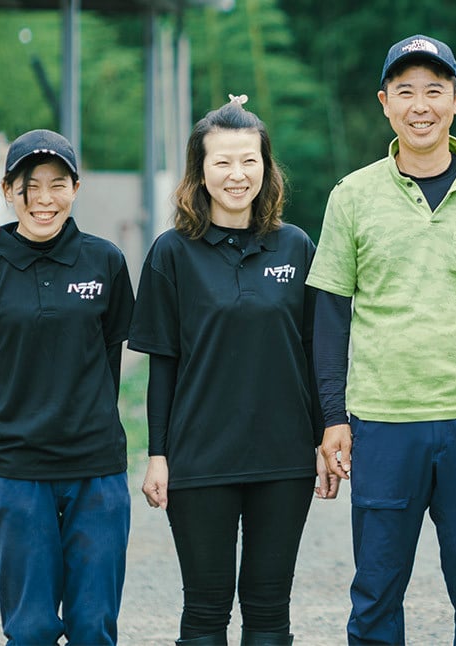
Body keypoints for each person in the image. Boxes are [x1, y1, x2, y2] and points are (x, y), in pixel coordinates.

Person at [308, 34, 456, 645]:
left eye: (435, 91)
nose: (421, 105)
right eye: (406, 91)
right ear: (384, 102)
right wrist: (333, 417)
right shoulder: (352, 196)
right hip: (384, 423)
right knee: (377, 592)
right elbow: (330, 316)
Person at [128, 95, 337, 646]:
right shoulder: (171, 254)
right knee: (204, 613)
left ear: (267, 167)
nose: (236, 174)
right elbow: (163, 364)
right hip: (200, 460)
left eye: (249, 160)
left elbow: (316, 349)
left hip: (283, 460)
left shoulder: (296, 245)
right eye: (222, 162)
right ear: (200, 171)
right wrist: (158, 455)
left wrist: (323, 438)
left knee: (270, 615)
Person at [0, 129, 134, 645]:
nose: (44, 199)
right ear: (9, 191)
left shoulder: (106, 262)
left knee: (93, 626)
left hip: (96, 469)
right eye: (30, 186)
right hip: (18, 471)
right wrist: (22, 417)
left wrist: (85, 415)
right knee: (29, 628)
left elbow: (109, 355)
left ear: (77, 188)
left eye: (58, 184)